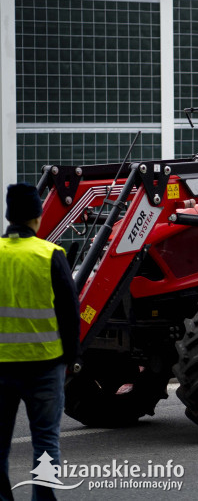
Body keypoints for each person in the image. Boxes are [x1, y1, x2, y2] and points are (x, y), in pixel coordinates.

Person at [0, 183, 79, 501]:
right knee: (46, 442)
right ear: (38, 215)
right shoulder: (51, 255)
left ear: (8, 216)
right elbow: (70, 315)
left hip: (1, 368)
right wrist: (73, 359)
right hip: (46, 367)